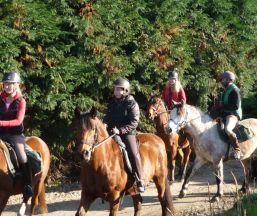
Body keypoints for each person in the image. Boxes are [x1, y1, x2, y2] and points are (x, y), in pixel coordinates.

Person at [103, 78, 145, 193]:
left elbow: (134, 122)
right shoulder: (112, 103)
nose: (116, 91)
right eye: (115, 89)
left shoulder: (132, 103)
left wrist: (120, 130)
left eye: (118, 89)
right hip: (112, 132)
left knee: (133, 153)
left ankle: (140, 179)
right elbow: (108, 116)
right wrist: (105, 123)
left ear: (125, 90)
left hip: (127, 133)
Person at [0, 72, 33, 198]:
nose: (7, 86)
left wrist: (1, 123)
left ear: (16, 85)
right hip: (1, 133)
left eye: (10, 84)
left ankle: (28, 185)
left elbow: (18, 121)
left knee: (22, 156)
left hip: (15, 135)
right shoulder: (0, 98)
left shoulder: (21, 101)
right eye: (5, 84)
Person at [213, 71, 242, 160]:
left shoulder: (235, 90)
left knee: (228, 129)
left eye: (224, 79)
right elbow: (222, 105)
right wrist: (215, 108)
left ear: (230, 80)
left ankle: (237, 150)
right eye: (222, 79)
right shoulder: (225, 91)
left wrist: (222, 105)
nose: (222, 81)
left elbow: (235, 106)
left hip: (233, 115)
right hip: (224, 114)